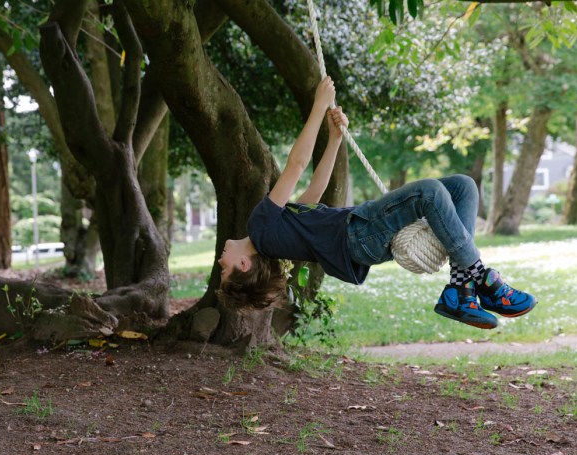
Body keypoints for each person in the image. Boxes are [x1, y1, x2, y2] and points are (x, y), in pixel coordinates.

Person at [217, 76, 537, 329]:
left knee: (463, 188)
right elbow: (296, 165)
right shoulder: (258, 228)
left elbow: (313, 194)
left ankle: (461, 290)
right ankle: (480, 276)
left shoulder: (272, 240)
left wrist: (335, 140)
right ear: (244, 265)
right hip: (358, 234)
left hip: (364, 245)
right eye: (224, 270)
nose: (220, 262)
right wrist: (318, 107)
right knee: (428, 193)